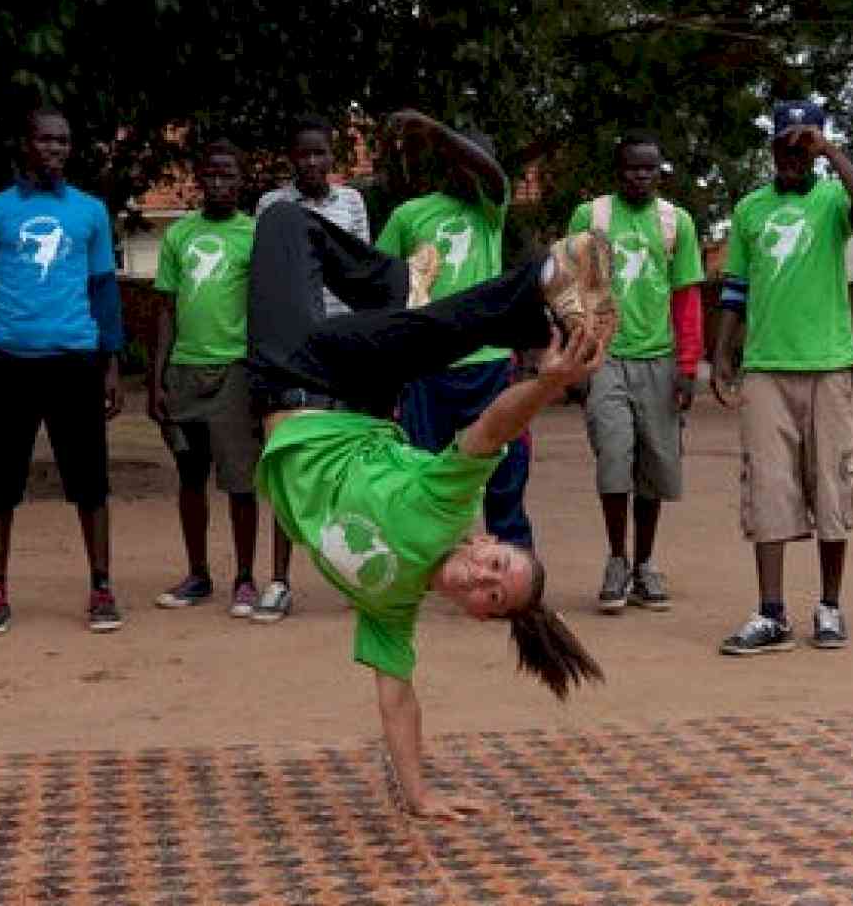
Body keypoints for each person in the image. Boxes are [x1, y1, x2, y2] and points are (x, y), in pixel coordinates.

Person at [248, 133, 612, 819]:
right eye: (498, 566)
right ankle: (539, 288)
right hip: (323, 376)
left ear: (478, 614)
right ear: (483, 543)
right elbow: (492, 428)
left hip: (289, 383)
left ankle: (395, 286)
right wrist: (547, 383)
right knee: (435, 331)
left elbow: (397, 697)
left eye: (492, 598)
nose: (483, 581)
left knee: (286, 221)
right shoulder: (445, 508)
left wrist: (419, 797)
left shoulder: (392, 611)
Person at [710, 100, 853, 656]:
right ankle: (771, 614)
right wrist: (722, 352)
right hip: (765, 368)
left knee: (831, 482)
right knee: (767, 485)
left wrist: (830, 151)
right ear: (769, 148)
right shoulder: (748, 210)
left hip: (829, 364)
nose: (792, 153)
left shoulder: (835, 200)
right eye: (783, 143)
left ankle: (829, 607)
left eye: (802, 143)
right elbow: (736, 287)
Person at [0, 108, 125, 637]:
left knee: (91, 483)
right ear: (25, 145)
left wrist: (112, 362)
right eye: (45, 140)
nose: (55, 149)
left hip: (75, 360)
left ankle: (101, 588)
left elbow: (104, 290)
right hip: (9, 363)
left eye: (63, 141)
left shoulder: (91, 213)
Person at [375, 114, 534, 548]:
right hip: (427, 367)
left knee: (505, 470)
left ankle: (517, 566)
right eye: (462, 158)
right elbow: (383, 288)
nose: (473, 169)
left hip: (489, 366)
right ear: (446, 162)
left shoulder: (490, 210)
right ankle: (422, 564)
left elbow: (495, 176)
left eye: (480, 160)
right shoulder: (409, 215)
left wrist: (435, 130)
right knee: (423, 472)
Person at [567, 131, 705, 614]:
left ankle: (646, 564)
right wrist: (578, 359)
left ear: (659, 171)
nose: (640, 176)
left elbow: (687, 297)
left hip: (660, 359)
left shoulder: (676, 221)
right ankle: (617, 560)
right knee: (613, 456)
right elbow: (575, 292)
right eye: (631, 168)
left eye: (649, 168)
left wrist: (688, 366)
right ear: (616, 171)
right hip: (605, 357)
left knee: (655, 464)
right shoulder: (592, 216)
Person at [248, 113, 376, 623]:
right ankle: (279, 580)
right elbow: (265, 281)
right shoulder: (271, 207)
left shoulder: (352, 203)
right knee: (288, 461)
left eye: (321, 153)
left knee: (348, 463)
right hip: (291, 350)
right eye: (303, 154)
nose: (312, 162)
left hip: (343, 346)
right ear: (291, 159)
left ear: (332, 158)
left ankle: (354, 575)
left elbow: (363, 271)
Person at [148, 141, 264, 616]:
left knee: (240, 482)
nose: (219, 184)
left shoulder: (255, 235)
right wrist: (157, 378)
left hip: (235, 371)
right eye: (211, 175)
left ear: (241, 181)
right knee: (190, 476)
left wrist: (262, 375)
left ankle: (244, 579)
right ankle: (198, 574)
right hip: (184, 371)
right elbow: (166, 310)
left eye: (228, 176)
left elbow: (262, 310)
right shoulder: (179, 235)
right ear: (198, 178)